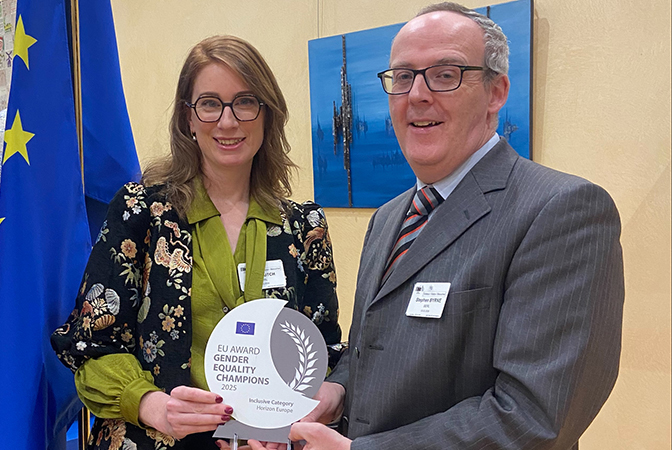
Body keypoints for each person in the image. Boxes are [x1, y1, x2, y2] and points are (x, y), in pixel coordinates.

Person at [252, 3, 624, 450]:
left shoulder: (562, 210)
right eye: (403, 77)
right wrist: (338, 391)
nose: (417, 95)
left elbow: (534, 417)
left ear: (496, 92)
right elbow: (375, 348)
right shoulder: (388, 218)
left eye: (445, 75)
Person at [51, 35, 342, 450]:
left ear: (267, 114)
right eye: (209, 104)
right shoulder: (141, 213)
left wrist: (300, 416)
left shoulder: (303, 226)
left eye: (245, 101)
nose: (228, 121)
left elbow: (324, 350)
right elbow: (90, 346)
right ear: (188, 118)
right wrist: (152, 404)